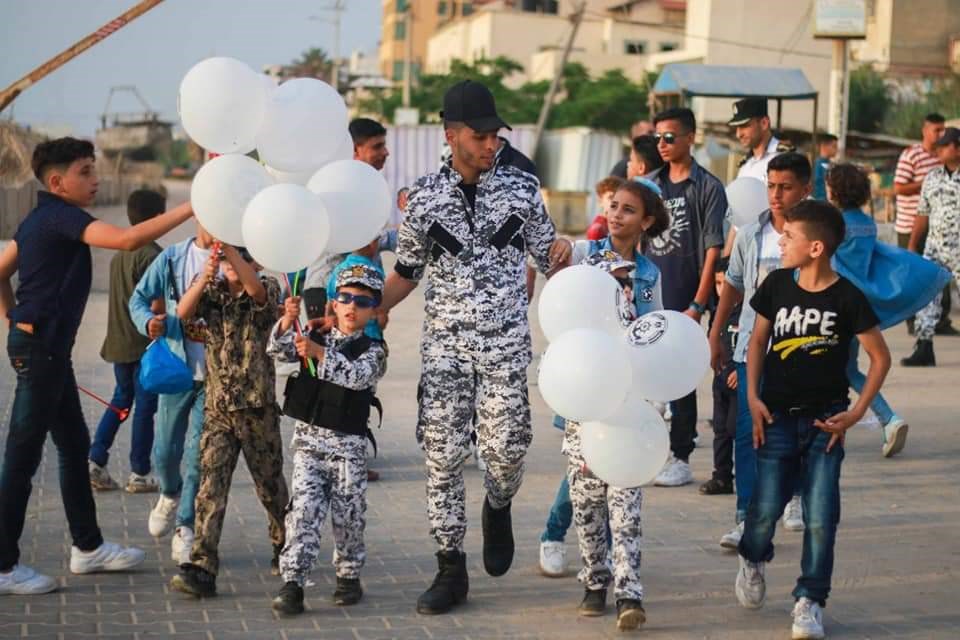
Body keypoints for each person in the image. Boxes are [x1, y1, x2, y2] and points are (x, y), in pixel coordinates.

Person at [379, 79, 568, 615]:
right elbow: (407, 272)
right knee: (441, 458)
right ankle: (449, 568)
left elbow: (549, 258)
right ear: (452, 135)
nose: (491, 144)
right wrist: (374, 308)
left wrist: (566, 254)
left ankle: (498, 504)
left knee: (507, 451)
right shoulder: (423, 199)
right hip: (445, 350)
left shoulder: (522, 190)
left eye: (495, 136)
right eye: (481, 135)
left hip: (505, 348)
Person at [0, 137, 194, 595]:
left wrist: (15, 320)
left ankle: (87, 548)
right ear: (57, 182)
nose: (95, 179)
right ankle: (4, 565)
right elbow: (127, 239)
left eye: (94, 169)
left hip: (47, 349)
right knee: (22, 457)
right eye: (85, 171)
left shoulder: (40, 218)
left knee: (73, 446)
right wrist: (192, 208)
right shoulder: (60, 216)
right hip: (42, 352)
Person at [735, 200, 891, 640]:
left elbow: (880, 358)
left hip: (826, 424)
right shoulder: (776, 285)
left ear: (816, 247)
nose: (781, 243)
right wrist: (752, 397)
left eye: (789, 237)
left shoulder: (848, 297)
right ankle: (753, 557)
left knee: (821, 517)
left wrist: (856, 413)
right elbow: (757, 342)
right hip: (776, 417)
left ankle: (810, 599)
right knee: (764, 511)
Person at [539, 178, 669, 579]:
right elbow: (553, 265)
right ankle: (553, 535)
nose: (616, 215)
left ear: (646, 222)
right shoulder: (585, 253)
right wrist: (561, 243)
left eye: (628, 210)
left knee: (614, 463)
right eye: (614, 206)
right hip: (583, 377)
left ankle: (610, 553)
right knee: (583, 468)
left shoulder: (649, 273)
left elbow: (652, 329)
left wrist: (656, 394)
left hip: (624, 383)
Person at [169, 244, 288, 597]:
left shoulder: (267, 286)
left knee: (270, 487)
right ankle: (202, 565)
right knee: (211, 489)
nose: (234, 263)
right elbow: (183, 313)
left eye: (243, 255)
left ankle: (284, 543)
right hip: (218, 409)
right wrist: (205, 277)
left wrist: (232, 254)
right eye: (229, 256)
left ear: (256, 260)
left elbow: (257, 292)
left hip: (257, 409)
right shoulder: (213, 290)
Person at [269, 264, 388, 615]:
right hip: (310, 447)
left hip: (347, 452)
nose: (352, 307)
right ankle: (293, 582)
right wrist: (287, 322)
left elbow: (356, 376)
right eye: (345, 298)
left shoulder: (373, 350)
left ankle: (348, 574)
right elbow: (278, 351)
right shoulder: (314, 335)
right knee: (303, 513)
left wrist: (319, 353)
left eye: (362, 302)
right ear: (333, 303)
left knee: (348, 516)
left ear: (373, 310)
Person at [710, 152, 814, 551]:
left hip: (800, 351)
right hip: (751, 347)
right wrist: (717, 331)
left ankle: (796, 495)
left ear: (805, 189)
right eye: (771, 186)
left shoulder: (817, 237)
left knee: (798, 430)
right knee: (747, 433)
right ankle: (745, 518)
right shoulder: (751, 233)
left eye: (786, 187)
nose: (776, 195)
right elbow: (734, 285)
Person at [827, 163, 950, 454]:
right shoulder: (867, 224)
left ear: (836, 190)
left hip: (835, 304)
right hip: (861, 306)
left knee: (839, 369)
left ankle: (884, 419)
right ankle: (887, 420)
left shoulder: (834, 224)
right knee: (848, 369)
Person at [645, 107, 727, 487]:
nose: (661, 145)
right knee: (648, 376)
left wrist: (698, 301)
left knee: (681, 378)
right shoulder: (649, 185)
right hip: (650, 293)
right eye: (657, 138)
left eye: (669, 137)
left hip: (687, 295)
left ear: (690, 138)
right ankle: (648, 451)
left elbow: (713, 247)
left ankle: (680, 456)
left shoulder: (707, 187)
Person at [130, 222, 215, 564]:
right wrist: (147, 322)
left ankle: (185, 526)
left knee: (197, 455)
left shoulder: (237, 260)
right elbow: (138, 298)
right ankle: (168, 492)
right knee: (165, 451)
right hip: (176, 370)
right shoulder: (172, 258)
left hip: (216, 377)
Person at [88, 189, 167, 493]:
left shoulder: (120, 253)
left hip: (119, 342)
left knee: (121, 401)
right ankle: (140, 473)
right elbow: (157, 305)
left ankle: (96, 460)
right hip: (143, 345)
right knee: (146, 407)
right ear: (159, 218)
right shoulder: (152, 255)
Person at [902, 127, 960, 367]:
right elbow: (922, 213)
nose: (940, 150)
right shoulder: (932, 177)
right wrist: (913, 244)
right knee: (927, 297)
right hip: (934, 247)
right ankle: (924, 347)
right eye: (939, 146)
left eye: (945, 145)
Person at [894, 113, 953, 336]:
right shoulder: (911, 155)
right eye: (936, 130)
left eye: (943, 130)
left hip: (937, 227)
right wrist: (927, 182)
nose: (940, 134)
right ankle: (913, 321)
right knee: (913, 277)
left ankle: (940, 321)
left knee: (940, 274)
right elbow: (899, 188)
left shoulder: (942, 157)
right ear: (925, 131)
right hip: (910, 225)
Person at [700, 256, 739, 496]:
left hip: (740, 381)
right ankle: (722, 476)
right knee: (721, 430)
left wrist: (741, 370)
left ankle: (749, 476)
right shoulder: (717, 313)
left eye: (727, 283)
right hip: (721, 380)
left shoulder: (750, 313)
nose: (722, 289)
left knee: (737, 429)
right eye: (718, 283)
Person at [729, 98, 794, 182]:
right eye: (737, 128)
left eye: (744, 126)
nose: (738, 135)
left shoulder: (785, 158)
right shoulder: (745, 165)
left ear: (764, 123)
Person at [585, 176, 623, 241]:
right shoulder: (598, 230)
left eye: (619, 198)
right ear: (600, 200)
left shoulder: (615, 224)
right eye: (611, 197)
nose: (615, 201)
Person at [812, 134, 838, 200]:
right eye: (834, 146)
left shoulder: (830, 164)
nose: (836, 150)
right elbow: (816, 185)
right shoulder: (817, 164)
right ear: (823, 146)